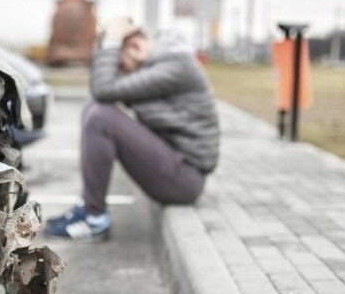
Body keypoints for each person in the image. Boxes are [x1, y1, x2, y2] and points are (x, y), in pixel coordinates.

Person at [44, 17, 220, 241]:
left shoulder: (176, 66)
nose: (122, 76)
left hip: (185, 178)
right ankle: (87, 205)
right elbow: (103, 92)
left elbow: (104, 88)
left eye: (122, 68)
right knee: (95, 109)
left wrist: (112, 41)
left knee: (101, 117)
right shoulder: (166, 62)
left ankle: (94, 219)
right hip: (175, 166)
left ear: (135, 47)